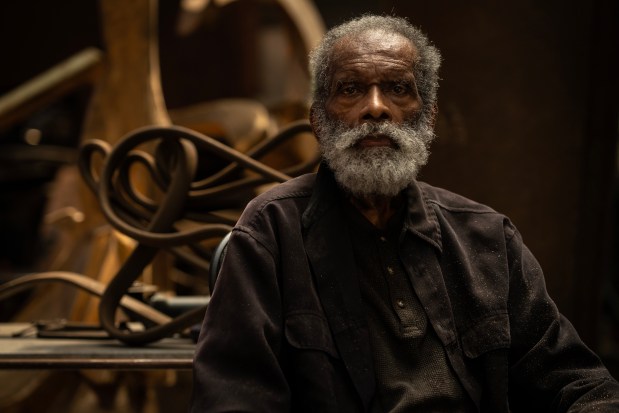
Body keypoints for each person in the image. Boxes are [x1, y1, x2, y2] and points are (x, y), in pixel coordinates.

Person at [190, 14, 619, 412]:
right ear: (318, 121)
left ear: (427, 117)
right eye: (350, 89)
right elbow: (232, 398)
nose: (375, 108)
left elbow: (579, 382)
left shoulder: (486, 238)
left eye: (398, 88)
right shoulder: (270, 233)